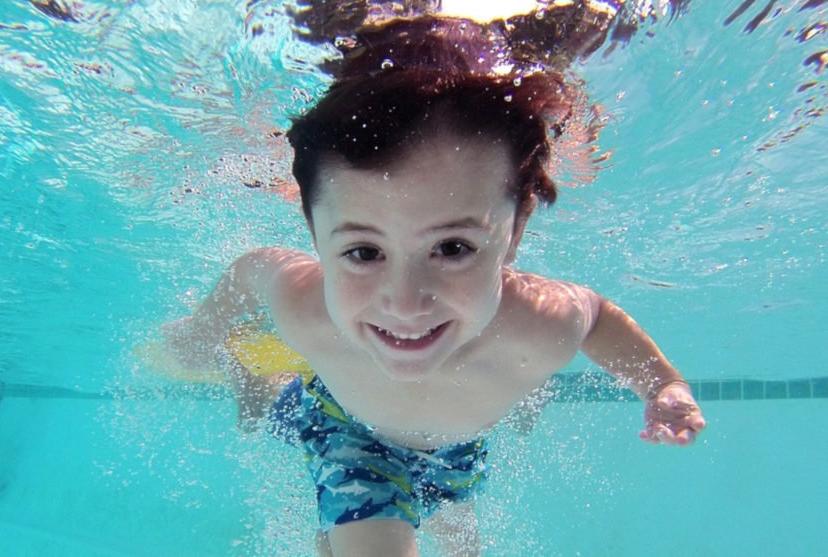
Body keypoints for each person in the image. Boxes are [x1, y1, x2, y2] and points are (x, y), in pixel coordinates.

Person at [161, 13, 706, 557]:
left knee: (461, 547)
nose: (404, 305)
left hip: (457, 448)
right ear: (315, 235)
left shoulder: (543, 322)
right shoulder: (304, 306)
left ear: (514, 232)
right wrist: (203, 329)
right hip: (348, 431)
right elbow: (253, 268)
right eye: (363, 252)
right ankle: (258, 387)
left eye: (452, 248)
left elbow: (597, 316)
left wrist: (662, 386)